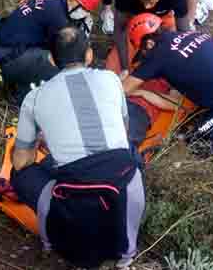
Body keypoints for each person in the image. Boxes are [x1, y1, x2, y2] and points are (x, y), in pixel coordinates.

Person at [9, 27, 143, 269]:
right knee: (129, 155)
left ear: (51, 59)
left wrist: (41, 141)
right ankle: (126, 257)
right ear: (89, 54)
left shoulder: (35, 98)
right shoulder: (112, 79)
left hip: (73, 200)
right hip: (122, 184)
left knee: (20, 174)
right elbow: (122, 131)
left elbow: (21, 162)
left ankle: (51, 235)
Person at [122, 14, 213, 155]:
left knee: (193, 142)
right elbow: (176, 103)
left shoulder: (158, 55)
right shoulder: (194, 34)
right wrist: (142, 93)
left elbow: (122, 90)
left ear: (149, 43)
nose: (144, 58)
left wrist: (126, 81)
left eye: (143, 53)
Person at [0, 0, 102, 104]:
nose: (86, 14)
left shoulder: (54, 4)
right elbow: (65, 55)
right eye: (85, 9)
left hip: (6, 49)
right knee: (55, 62)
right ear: (72, 0)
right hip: (7, 57)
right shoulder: (58, 19)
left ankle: (18, 84)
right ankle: (22, 96)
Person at [109, 0, 188, 75]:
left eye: (151, 2)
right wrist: (124, 69)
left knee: (173, 62)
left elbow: (183, 33)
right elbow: (119, 29)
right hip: (136, 23)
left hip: (163, 21)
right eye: (143, 0)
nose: (146, 7)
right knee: (114, 67)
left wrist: (182, 59)